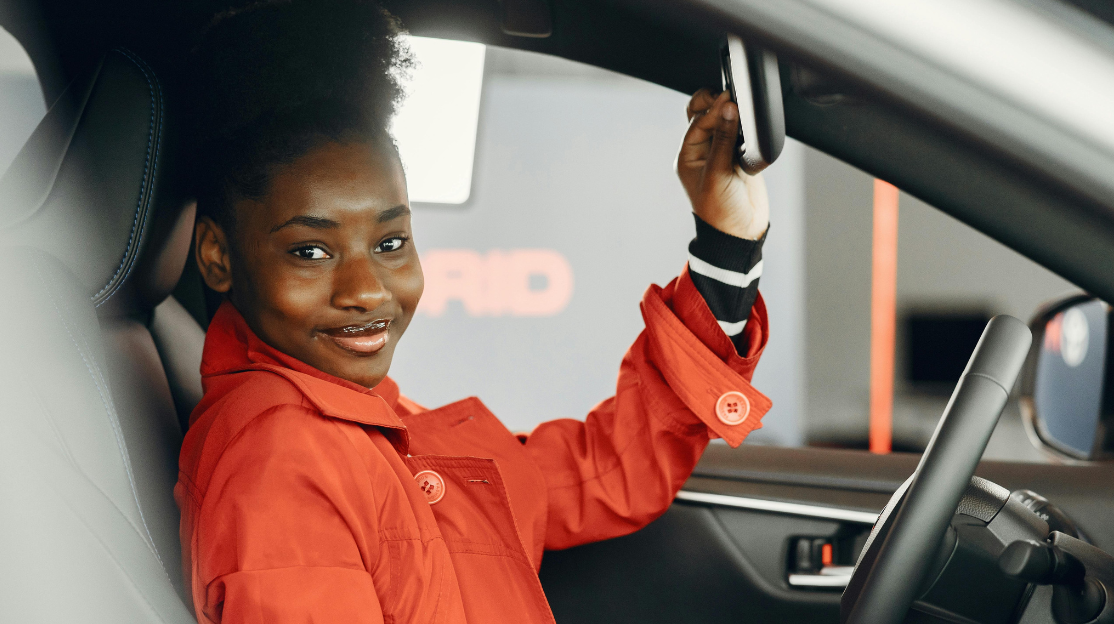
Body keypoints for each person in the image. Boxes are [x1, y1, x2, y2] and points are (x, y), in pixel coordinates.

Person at [175, 1, 772, 622]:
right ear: (218, 256)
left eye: (389, 243)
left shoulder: (359, 420)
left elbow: (601, 475)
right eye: (310, 250)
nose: (367, 290)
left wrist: (725, 248)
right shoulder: (282, 464)